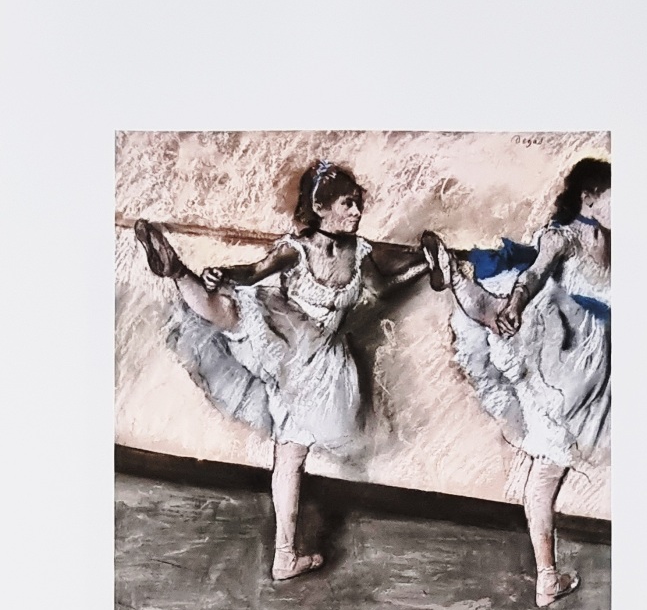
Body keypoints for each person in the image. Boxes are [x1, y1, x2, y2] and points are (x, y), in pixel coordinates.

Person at [135, 161, 428, 581]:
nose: (356, 211)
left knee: (289, 455)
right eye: (347, 204)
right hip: (295, 350)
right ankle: (179, 272)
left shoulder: (360, 252)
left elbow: (382, 289)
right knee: (236, 311)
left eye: (358, 204)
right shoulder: (297, 248)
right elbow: (254, 272)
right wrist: (225, 273)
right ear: (321, 208)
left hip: (311, 367)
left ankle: (285, 557)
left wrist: (425, 263)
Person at [420, 157, 611, 607]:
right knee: (528, 306)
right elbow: (536, 274)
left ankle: (547, 579)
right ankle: (473, 292)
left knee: (548, 466)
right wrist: (519, 301)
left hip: (587, 365)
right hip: (573, 356)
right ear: (588, 196)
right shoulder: (562, 236)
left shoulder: (615, 238)